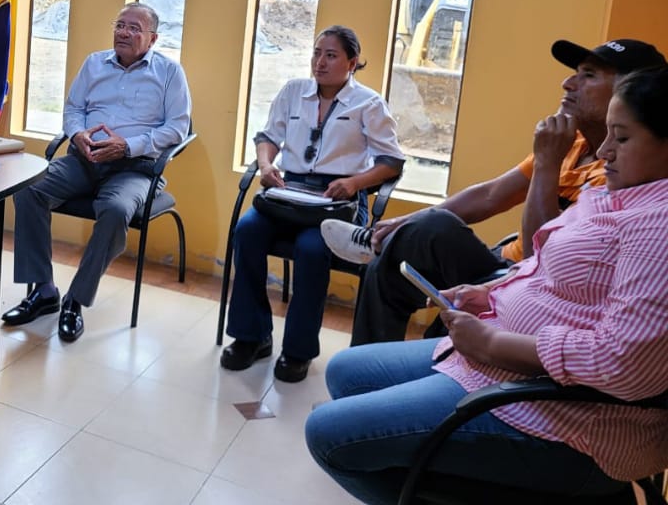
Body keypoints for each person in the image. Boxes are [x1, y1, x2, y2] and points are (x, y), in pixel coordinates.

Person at [306, 64, 668, 504]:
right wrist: (489, 294)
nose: (607, 150)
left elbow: (622, 363)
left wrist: (493, 344)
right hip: (507, 347)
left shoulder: (656, 222)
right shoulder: (615, 189)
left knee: (329, 434)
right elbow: (533, 252)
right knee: (347, 371)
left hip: (566, 414)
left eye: (622, 138)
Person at [321, 37, 666, 346]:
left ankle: (378, 243)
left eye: (589, 75)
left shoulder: (624, 169)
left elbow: (544, 257)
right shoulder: (572, 142)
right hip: (503, 263)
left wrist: (547, 163)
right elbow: (490, 195)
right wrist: (403, 222)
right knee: (389, 264)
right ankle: (367, 364)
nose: (568, 83)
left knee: (434, 229)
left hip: (530, 282)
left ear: (630, 92)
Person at [221, 26, 404, 383]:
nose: (320, 62)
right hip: (289, 191)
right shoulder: (293, 91)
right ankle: (251, 337)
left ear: (352, 62)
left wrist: (354, 183)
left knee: (311, 249)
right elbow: (268, 137)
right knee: (247, 231)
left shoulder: (369, 103)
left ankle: (298, 351)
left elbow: (391, 162)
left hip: (337, 199)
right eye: (317, 53)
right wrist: (266, 165)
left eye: (331, 55)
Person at [2, 2, 191, 342]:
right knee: (29, 188)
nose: (124, 32)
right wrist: (78, 134)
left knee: (115, 209)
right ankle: (44, 290)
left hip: (136, 168)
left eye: (134, 28)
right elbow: (73, 109)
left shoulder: (169, 73)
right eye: (120, 25)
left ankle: (75, 300)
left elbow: (177, 128)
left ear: (152, 38)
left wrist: (128, 146)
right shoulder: (94, 63)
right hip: (84, 160)